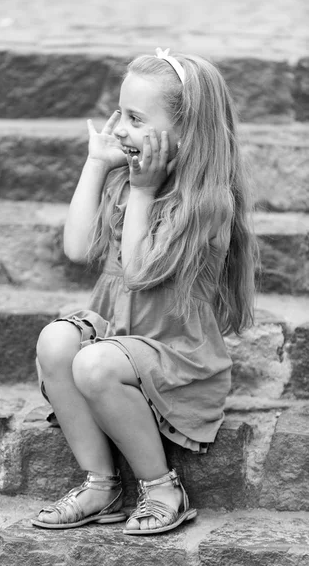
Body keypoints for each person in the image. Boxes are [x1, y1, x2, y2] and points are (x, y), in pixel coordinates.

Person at [31, 48, 256, 535]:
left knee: (94, 362)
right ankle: (101, 483)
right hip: (121, 333)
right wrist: (96, 164)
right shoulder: (126, 179)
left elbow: (137, 272)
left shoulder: (205, 200)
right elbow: (74, 248)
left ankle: (160, 488)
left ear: (185, 130)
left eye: (135, 118)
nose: (120, 129)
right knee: (55, 341)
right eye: (120, 114)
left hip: (176, 355)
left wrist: (142, 191)